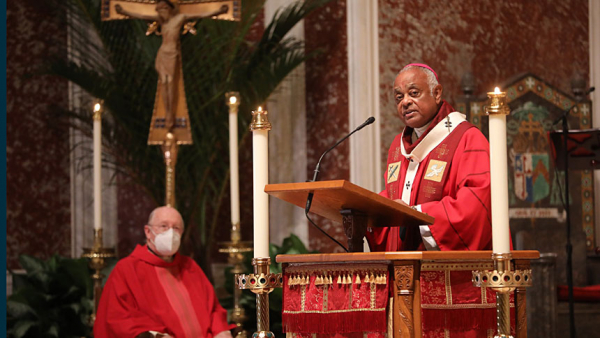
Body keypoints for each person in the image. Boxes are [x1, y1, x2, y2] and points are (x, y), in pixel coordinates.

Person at [366, 63, 494, 251]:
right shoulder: (399, 146)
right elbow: (397, 196)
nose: (405, 102)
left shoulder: (467, 138)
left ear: (436, 93)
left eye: (414, 93)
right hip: (405, 270)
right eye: (399, 97)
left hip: (450, 272)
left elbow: (476, 204)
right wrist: (369, 211)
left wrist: (416, 214)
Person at [94, 206, 235, 338]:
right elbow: (119, 318)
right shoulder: (127, 269)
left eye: (176, 228)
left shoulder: (190, 267)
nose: (171, 233)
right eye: (164, 226)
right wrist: (156, 335)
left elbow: (213, 308)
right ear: (148, 232)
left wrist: (221, 331)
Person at [115, 0, 229, 131]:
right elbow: (141, 15)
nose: (160, 14)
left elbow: (201, 14)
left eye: (161, 11)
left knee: (170, 84)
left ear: (168, 9)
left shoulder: (179, 19)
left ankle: (170, 114)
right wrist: (123, 12)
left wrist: (219, 11)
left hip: (172, 54)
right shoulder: (161, 20)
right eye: (158, 12)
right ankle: (168, 112)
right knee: (164, 82)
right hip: (162, 54)